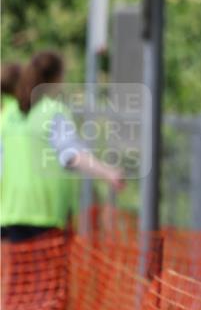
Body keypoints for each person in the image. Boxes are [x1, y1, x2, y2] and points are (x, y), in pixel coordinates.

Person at [1, 51, 125, 242]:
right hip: (44, 212)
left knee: (14, 263)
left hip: (10, 212)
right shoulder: (53, 111)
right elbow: (71, 154)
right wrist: (108, 172)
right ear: (57, 79)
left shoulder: (8, 115)